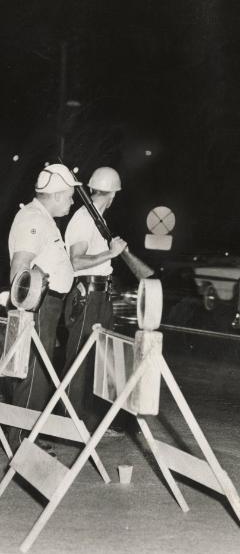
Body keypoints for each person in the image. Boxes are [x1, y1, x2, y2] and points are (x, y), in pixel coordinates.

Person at [6, 163, 80, 451]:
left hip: (46, 305)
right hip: (38, 305)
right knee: (32, 371)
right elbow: (19, 267)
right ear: (58, 194)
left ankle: (26, 433)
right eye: (70, 196)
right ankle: (22, 441)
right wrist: (28, 309)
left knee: (37, 371)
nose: (72, 202)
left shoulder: (44, 218)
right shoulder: (33, 219)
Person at [62, 166, 127, 433]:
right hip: (88, 295)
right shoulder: (84, 218)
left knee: (101, 361)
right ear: (113, 194)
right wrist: (110, 255)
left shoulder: (96, 217)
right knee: (79, 362)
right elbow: (76, 262)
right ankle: (68, 424)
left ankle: (91, 423)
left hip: (101, 295)